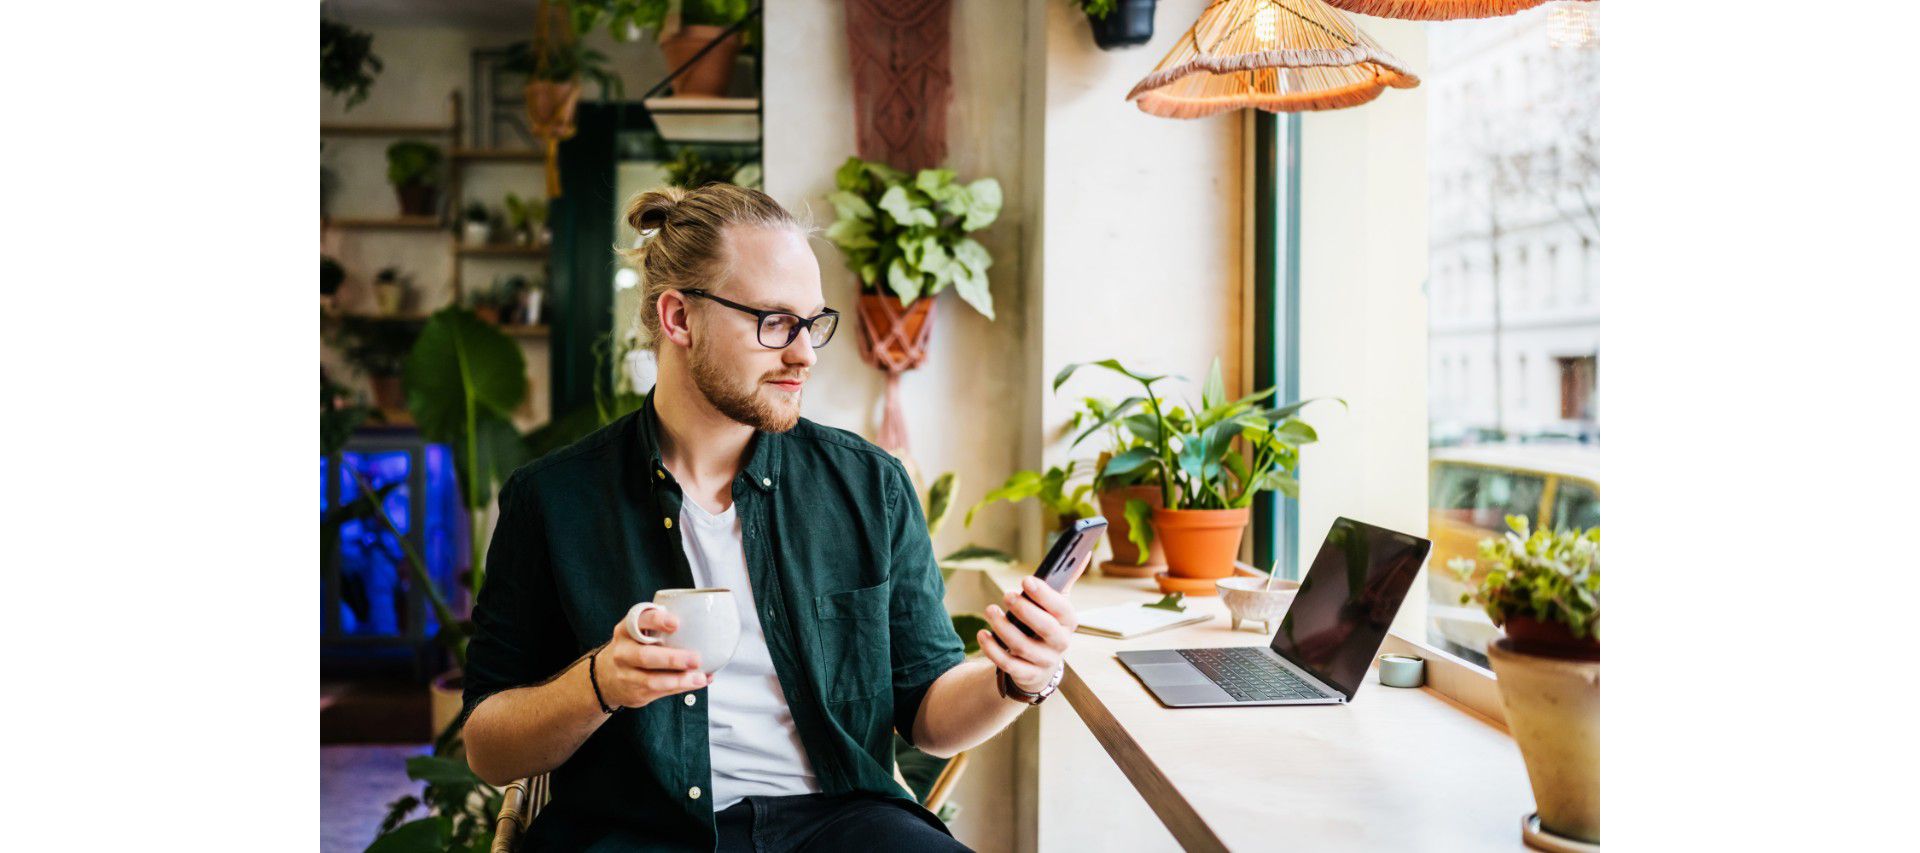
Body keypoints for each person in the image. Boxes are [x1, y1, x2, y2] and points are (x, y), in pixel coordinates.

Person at [459, 183, 1080, 852]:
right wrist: (600, 682)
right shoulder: (554, 500)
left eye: (812, 323)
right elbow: (489, 747)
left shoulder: (869, 485)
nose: (805, 353)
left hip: (842, 823)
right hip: (636, 830)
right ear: (678, 318)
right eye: (774, 322)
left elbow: (927, 713)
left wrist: (1018, 677)